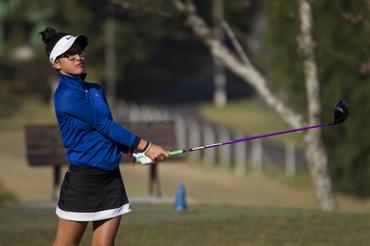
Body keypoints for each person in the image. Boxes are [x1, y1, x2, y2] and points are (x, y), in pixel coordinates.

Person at [40, 27, 169, 246]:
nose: (78, 56)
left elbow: (104, 133)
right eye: (69, 54)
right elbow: (104, 124)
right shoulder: (66, 96)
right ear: (56, 63)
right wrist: (146, 146)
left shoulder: (96, 90)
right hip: (83, 181)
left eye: (80, 51)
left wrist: (133, 152)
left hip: (110, 179)